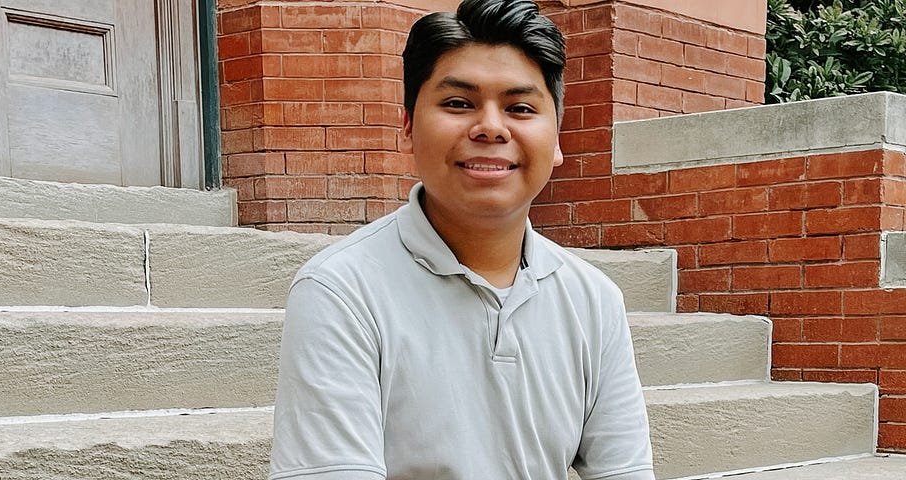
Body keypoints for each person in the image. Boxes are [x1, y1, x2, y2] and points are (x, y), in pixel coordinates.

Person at [266, 0, 655, 479]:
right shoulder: (342, 291)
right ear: (408, 127)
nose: (491, 127)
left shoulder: (594, 301)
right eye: (458, 103)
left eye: (520, 108)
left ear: (556, 139)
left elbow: (624, 471)